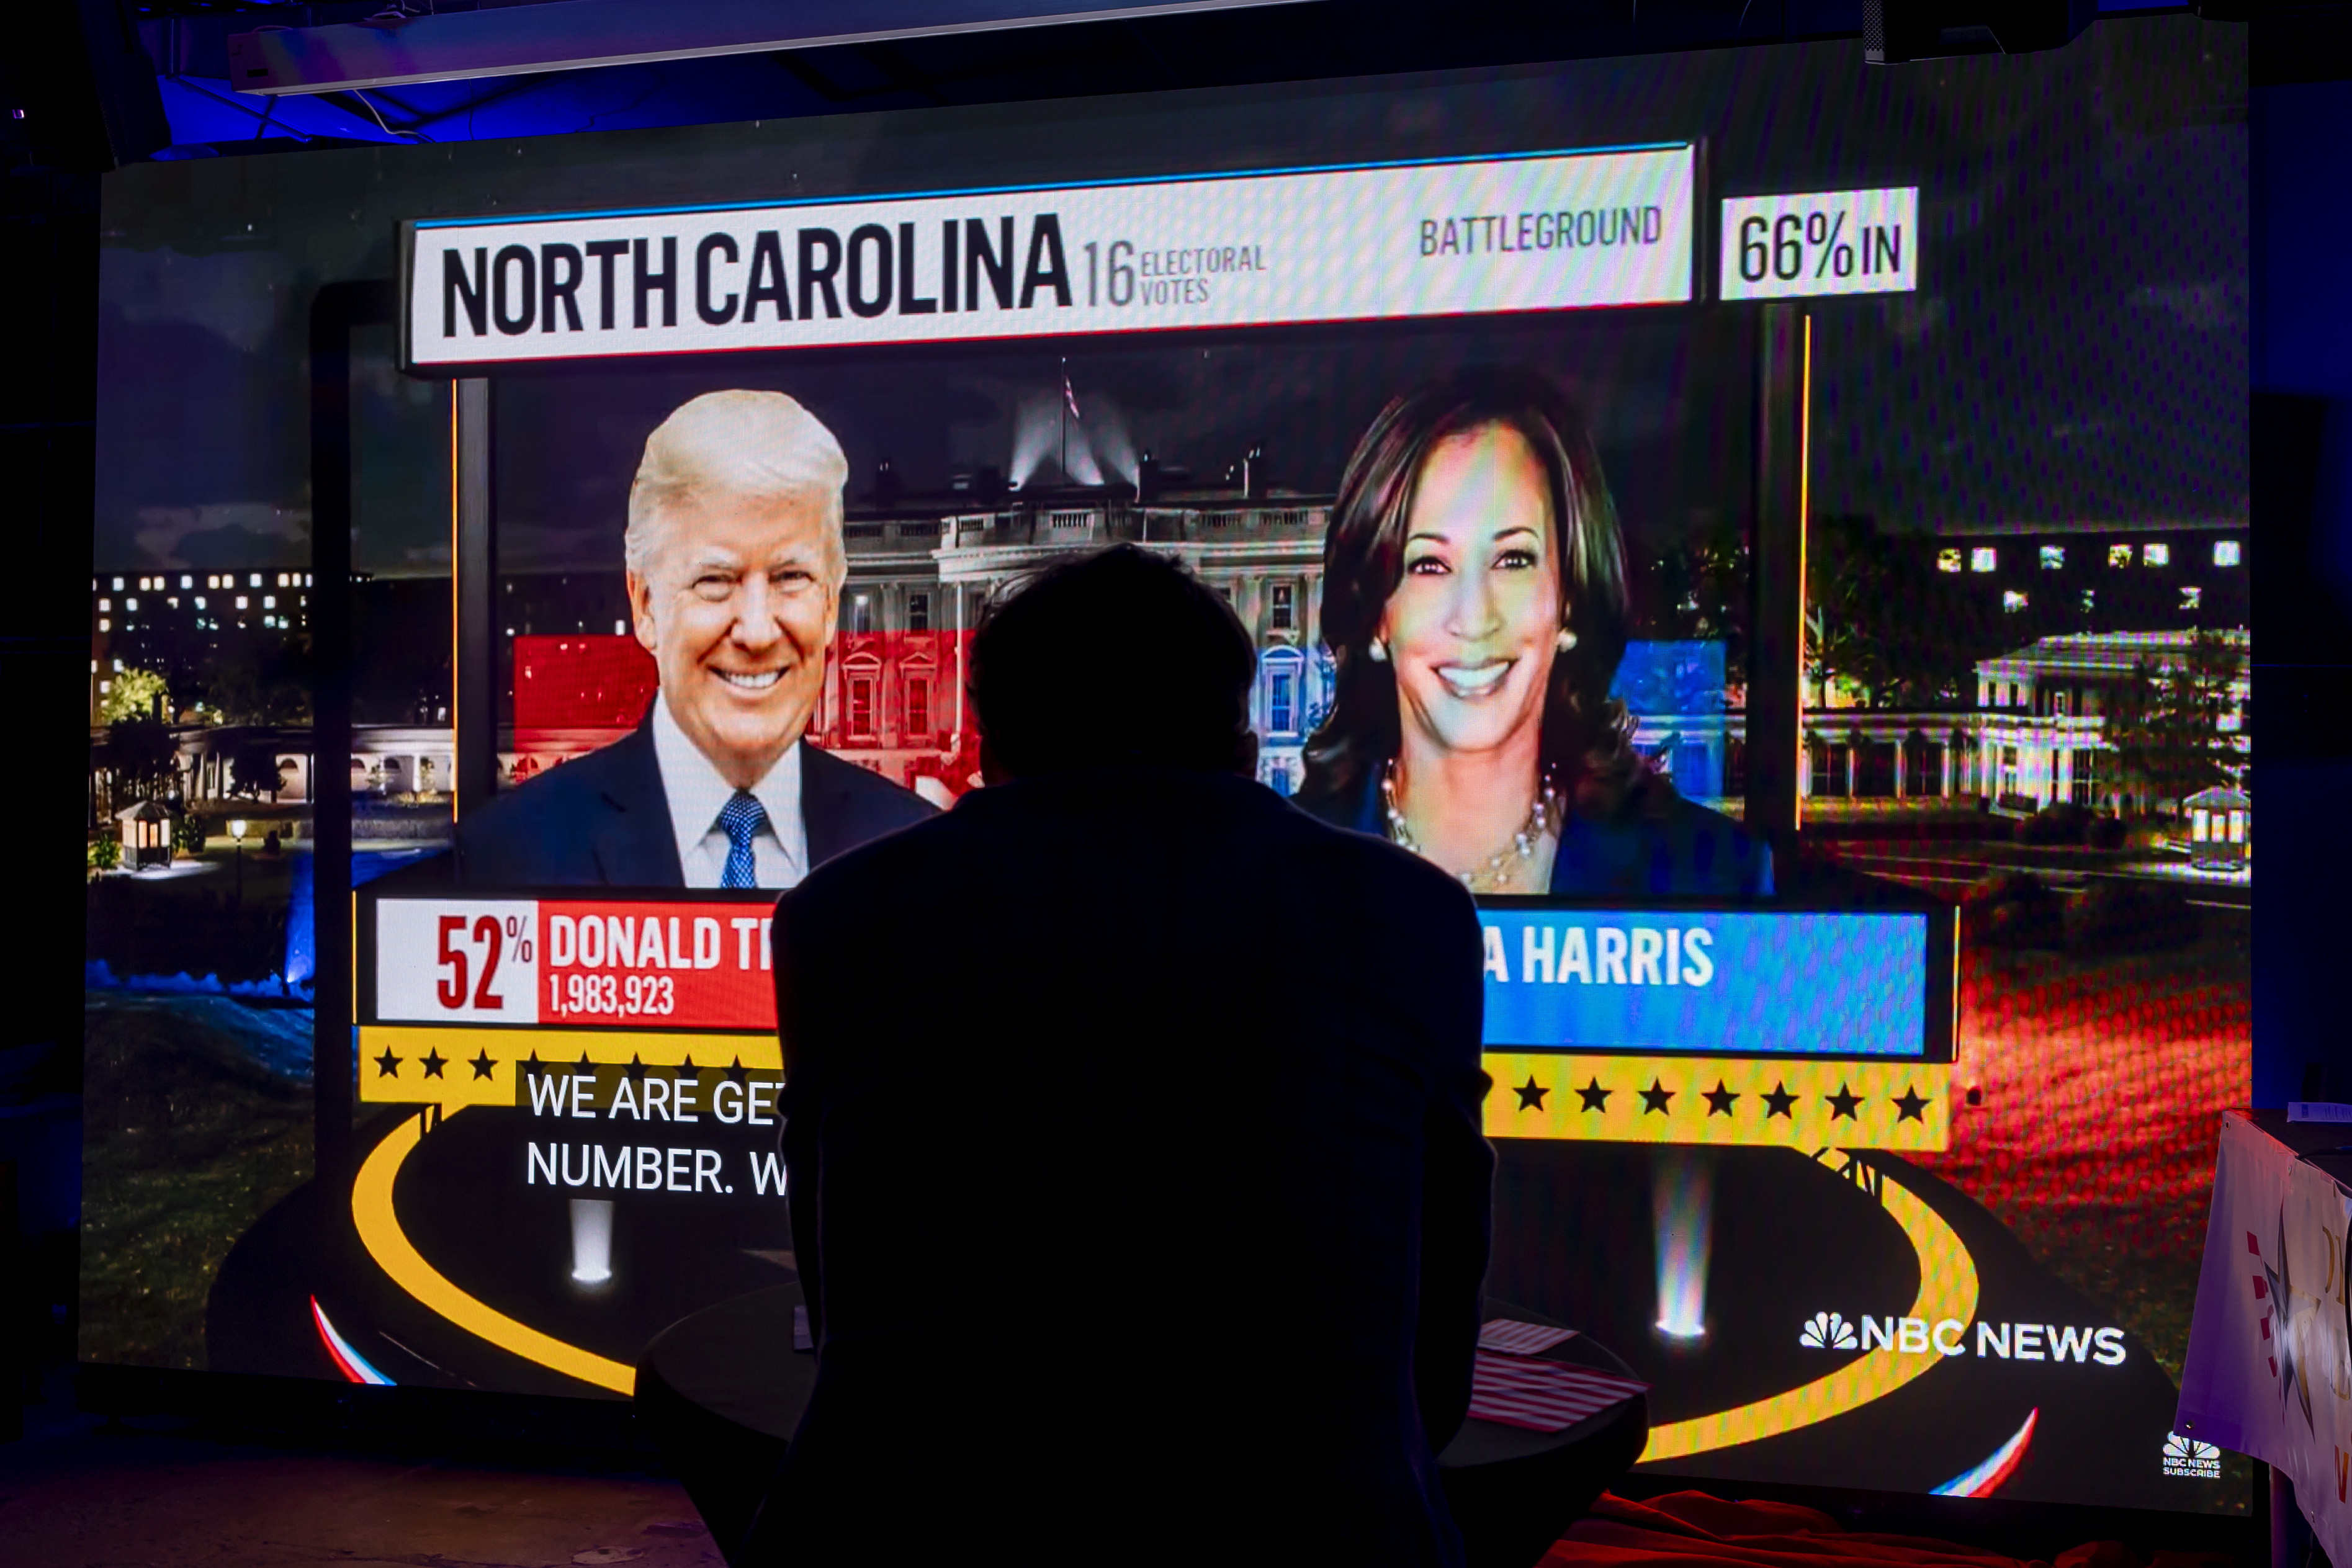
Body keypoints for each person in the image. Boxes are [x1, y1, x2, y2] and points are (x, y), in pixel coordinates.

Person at [742, 545, 1493, 1567]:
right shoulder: (1418, 919)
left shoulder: (835, 921)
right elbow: (1433, 1365)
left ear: (990, 745)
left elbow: (844, 1312)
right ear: (1242, 744)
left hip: (895, 1536)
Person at [1295, 368, 1770, 899]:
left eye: (1513, 559)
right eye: (1429, 564)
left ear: (1568, 598)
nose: (1475, 617)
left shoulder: (1713, 878)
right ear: (1377, 616)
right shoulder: (1273, 879)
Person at [455, 390, 933, 887]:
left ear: (831, 603)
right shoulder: (512, 854)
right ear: (645, 606)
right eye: (715, 581)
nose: (757, 631)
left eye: (791, 577)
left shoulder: (921, 851)